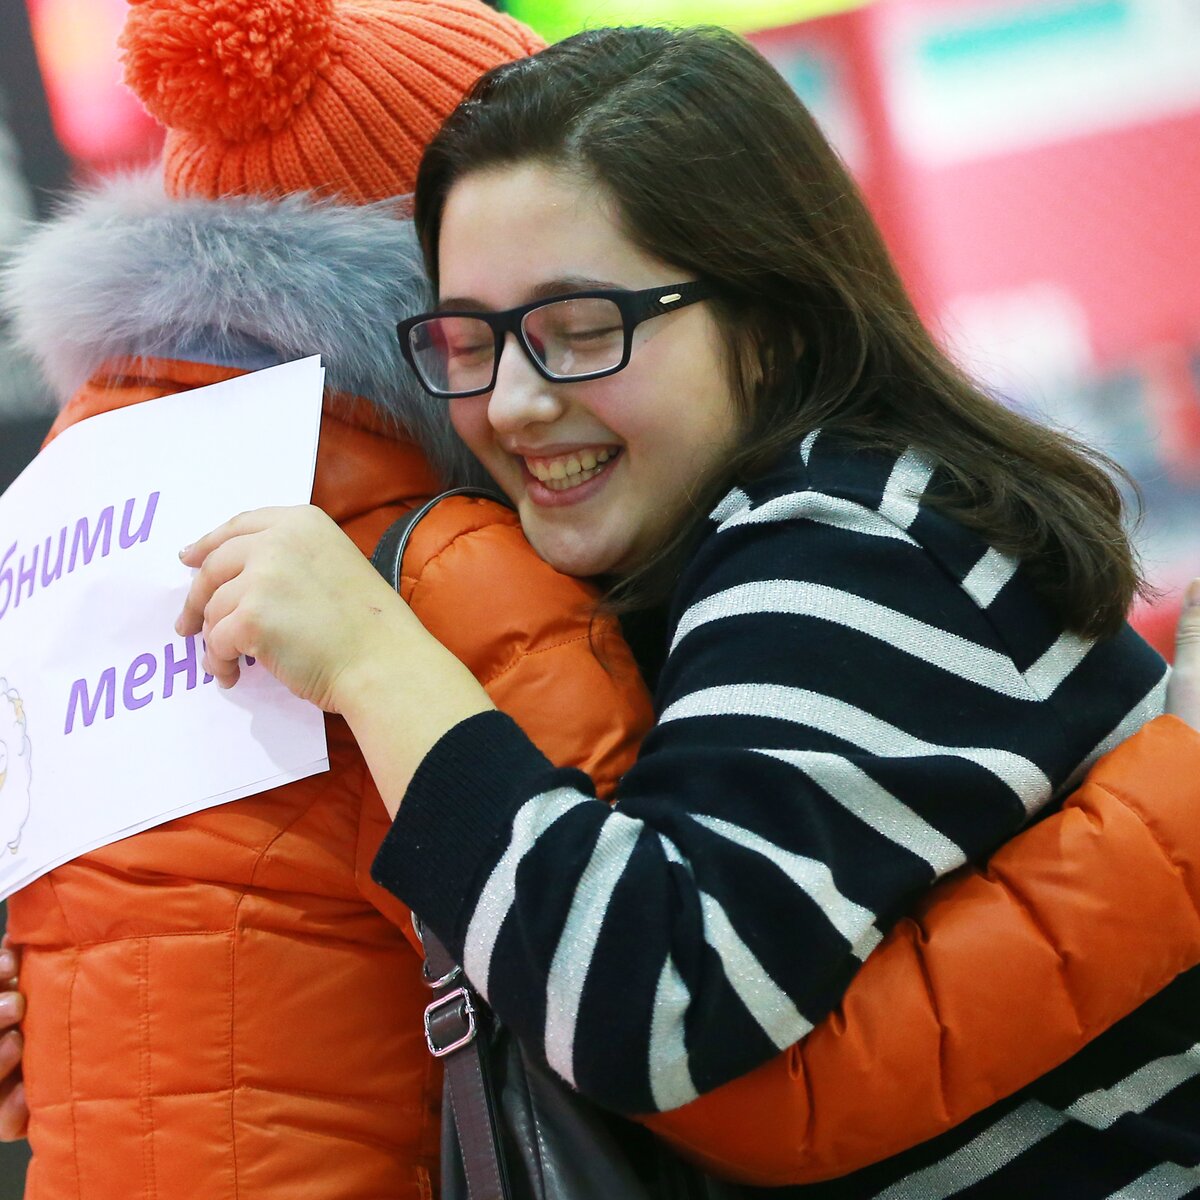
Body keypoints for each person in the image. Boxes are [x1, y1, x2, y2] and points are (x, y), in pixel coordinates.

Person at [4, 8, 1200, 1196]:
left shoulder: (844, 542)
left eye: (581, 331)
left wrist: (379, 660)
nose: (517, 402)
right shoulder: (704, 562)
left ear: (774, 317)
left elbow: (654, 1010)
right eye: (468, 343)